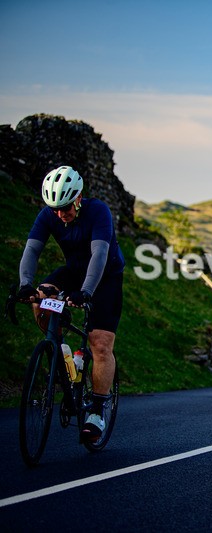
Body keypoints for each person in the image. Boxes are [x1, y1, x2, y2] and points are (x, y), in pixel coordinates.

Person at [17, 165, 125, 442]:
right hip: (73, 271)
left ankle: (98, 410)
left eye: (65, 207)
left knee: (100, 343)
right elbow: (32, 249)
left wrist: (86, 292)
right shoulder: (49, 215)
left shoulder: (97, 211)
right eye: (55, 208)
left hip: (105, 276)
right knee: (40, 297)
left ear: (78, 198)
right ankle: (60, 349)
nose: (60, 213)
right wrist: (25, 285)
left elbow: (99, 253)